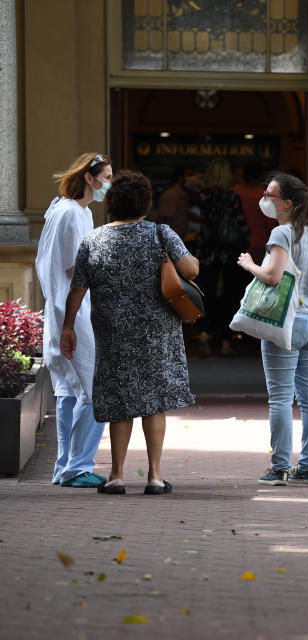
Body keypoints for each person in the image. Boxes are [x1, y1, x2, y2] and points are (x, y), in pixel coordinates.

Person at [60, 170, 199, 495]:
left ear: (111, 204)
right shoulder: (160, 233)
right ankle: (153, 476)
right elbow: (190, 270)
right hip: (157, 332)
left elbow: (77, 290)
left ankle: (117, 476)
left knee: (120, 401)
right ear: (146, 203)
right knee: (154, 402)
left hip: (113, 332)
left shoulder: (93, 239)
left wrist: (68, 326)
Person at [237, 172, 308, 486]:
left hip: (286, 322)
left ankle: (279, 468)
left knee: (280, 398)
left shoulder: (281, 235)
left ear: (287, 203)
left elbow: (273, 277)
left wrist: (249, 264)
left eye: (271, 195)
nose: (265, 199)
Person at [34, 153, 111, 488]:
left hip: (60, 307)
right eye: (106, 176)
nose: (109, 182)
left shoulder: (64, 209)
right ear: (89, 178)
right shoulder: (73, 214)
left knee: (67, 389)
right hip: (75, 310)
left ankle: (65, 465)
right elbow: (75, 267)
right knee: (96, 388)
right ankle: (78, 466)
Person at [195, 158, 249, 357]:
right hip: (229, 251)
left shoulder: (203, 196)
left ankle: (202, 333)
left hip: (207, 250)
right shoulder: (232, 196)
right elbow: (241, 224)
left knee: (206, 293)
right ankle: (226, 341)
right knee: (230, 295)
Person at [232, 158, 277, 265]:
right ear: (261, 175)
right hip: (260, 247)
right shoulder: (266, 196)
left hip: (235, 246)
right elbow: (272, 225)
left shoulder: (233, 193)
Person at [154, 166, 192, 239]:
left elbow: (185, 214)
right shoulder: (172, 195)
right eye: (189, 176)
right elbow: (161, 219)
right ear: (180, 178)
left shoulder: (182, 195)